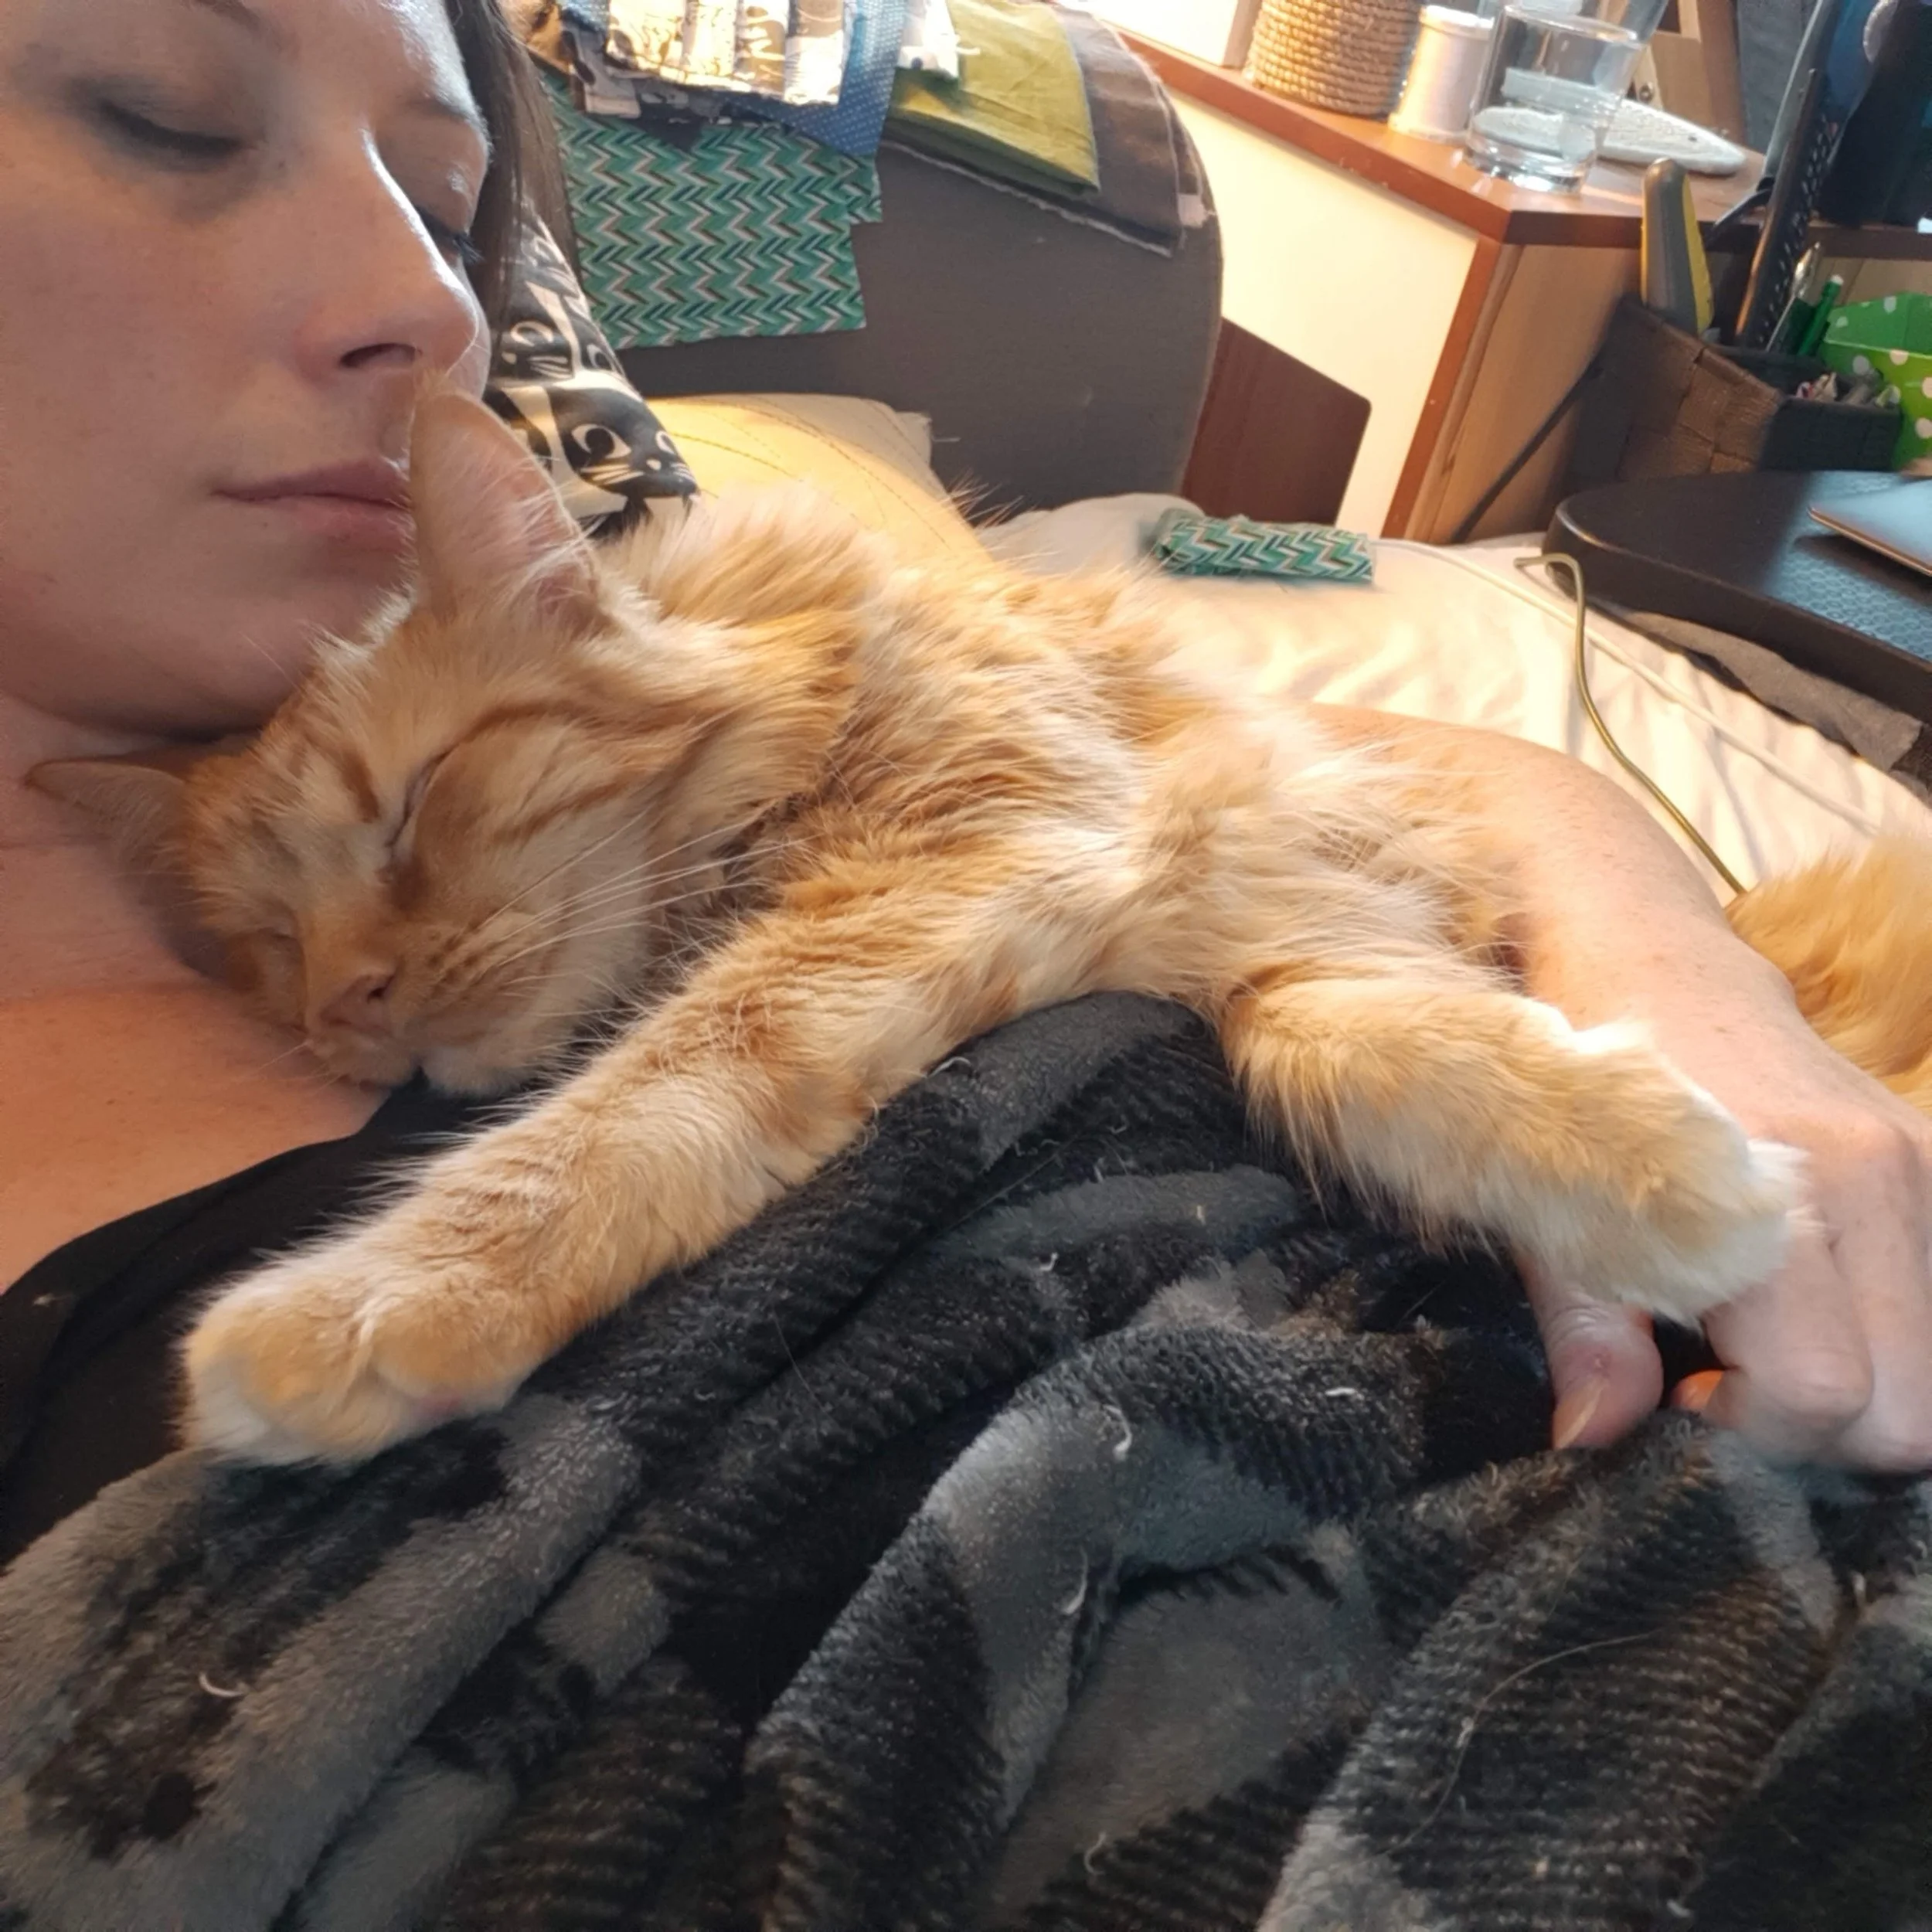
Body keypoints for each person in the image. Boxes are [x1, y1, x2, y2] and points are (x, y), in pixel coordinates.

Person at [2, 0, 1928, 1561]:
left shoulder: (633, 618)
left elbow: (1190, 789)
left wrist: (1667, 974)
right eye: (164, 113)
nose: (420, 300)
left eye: (447, 197)